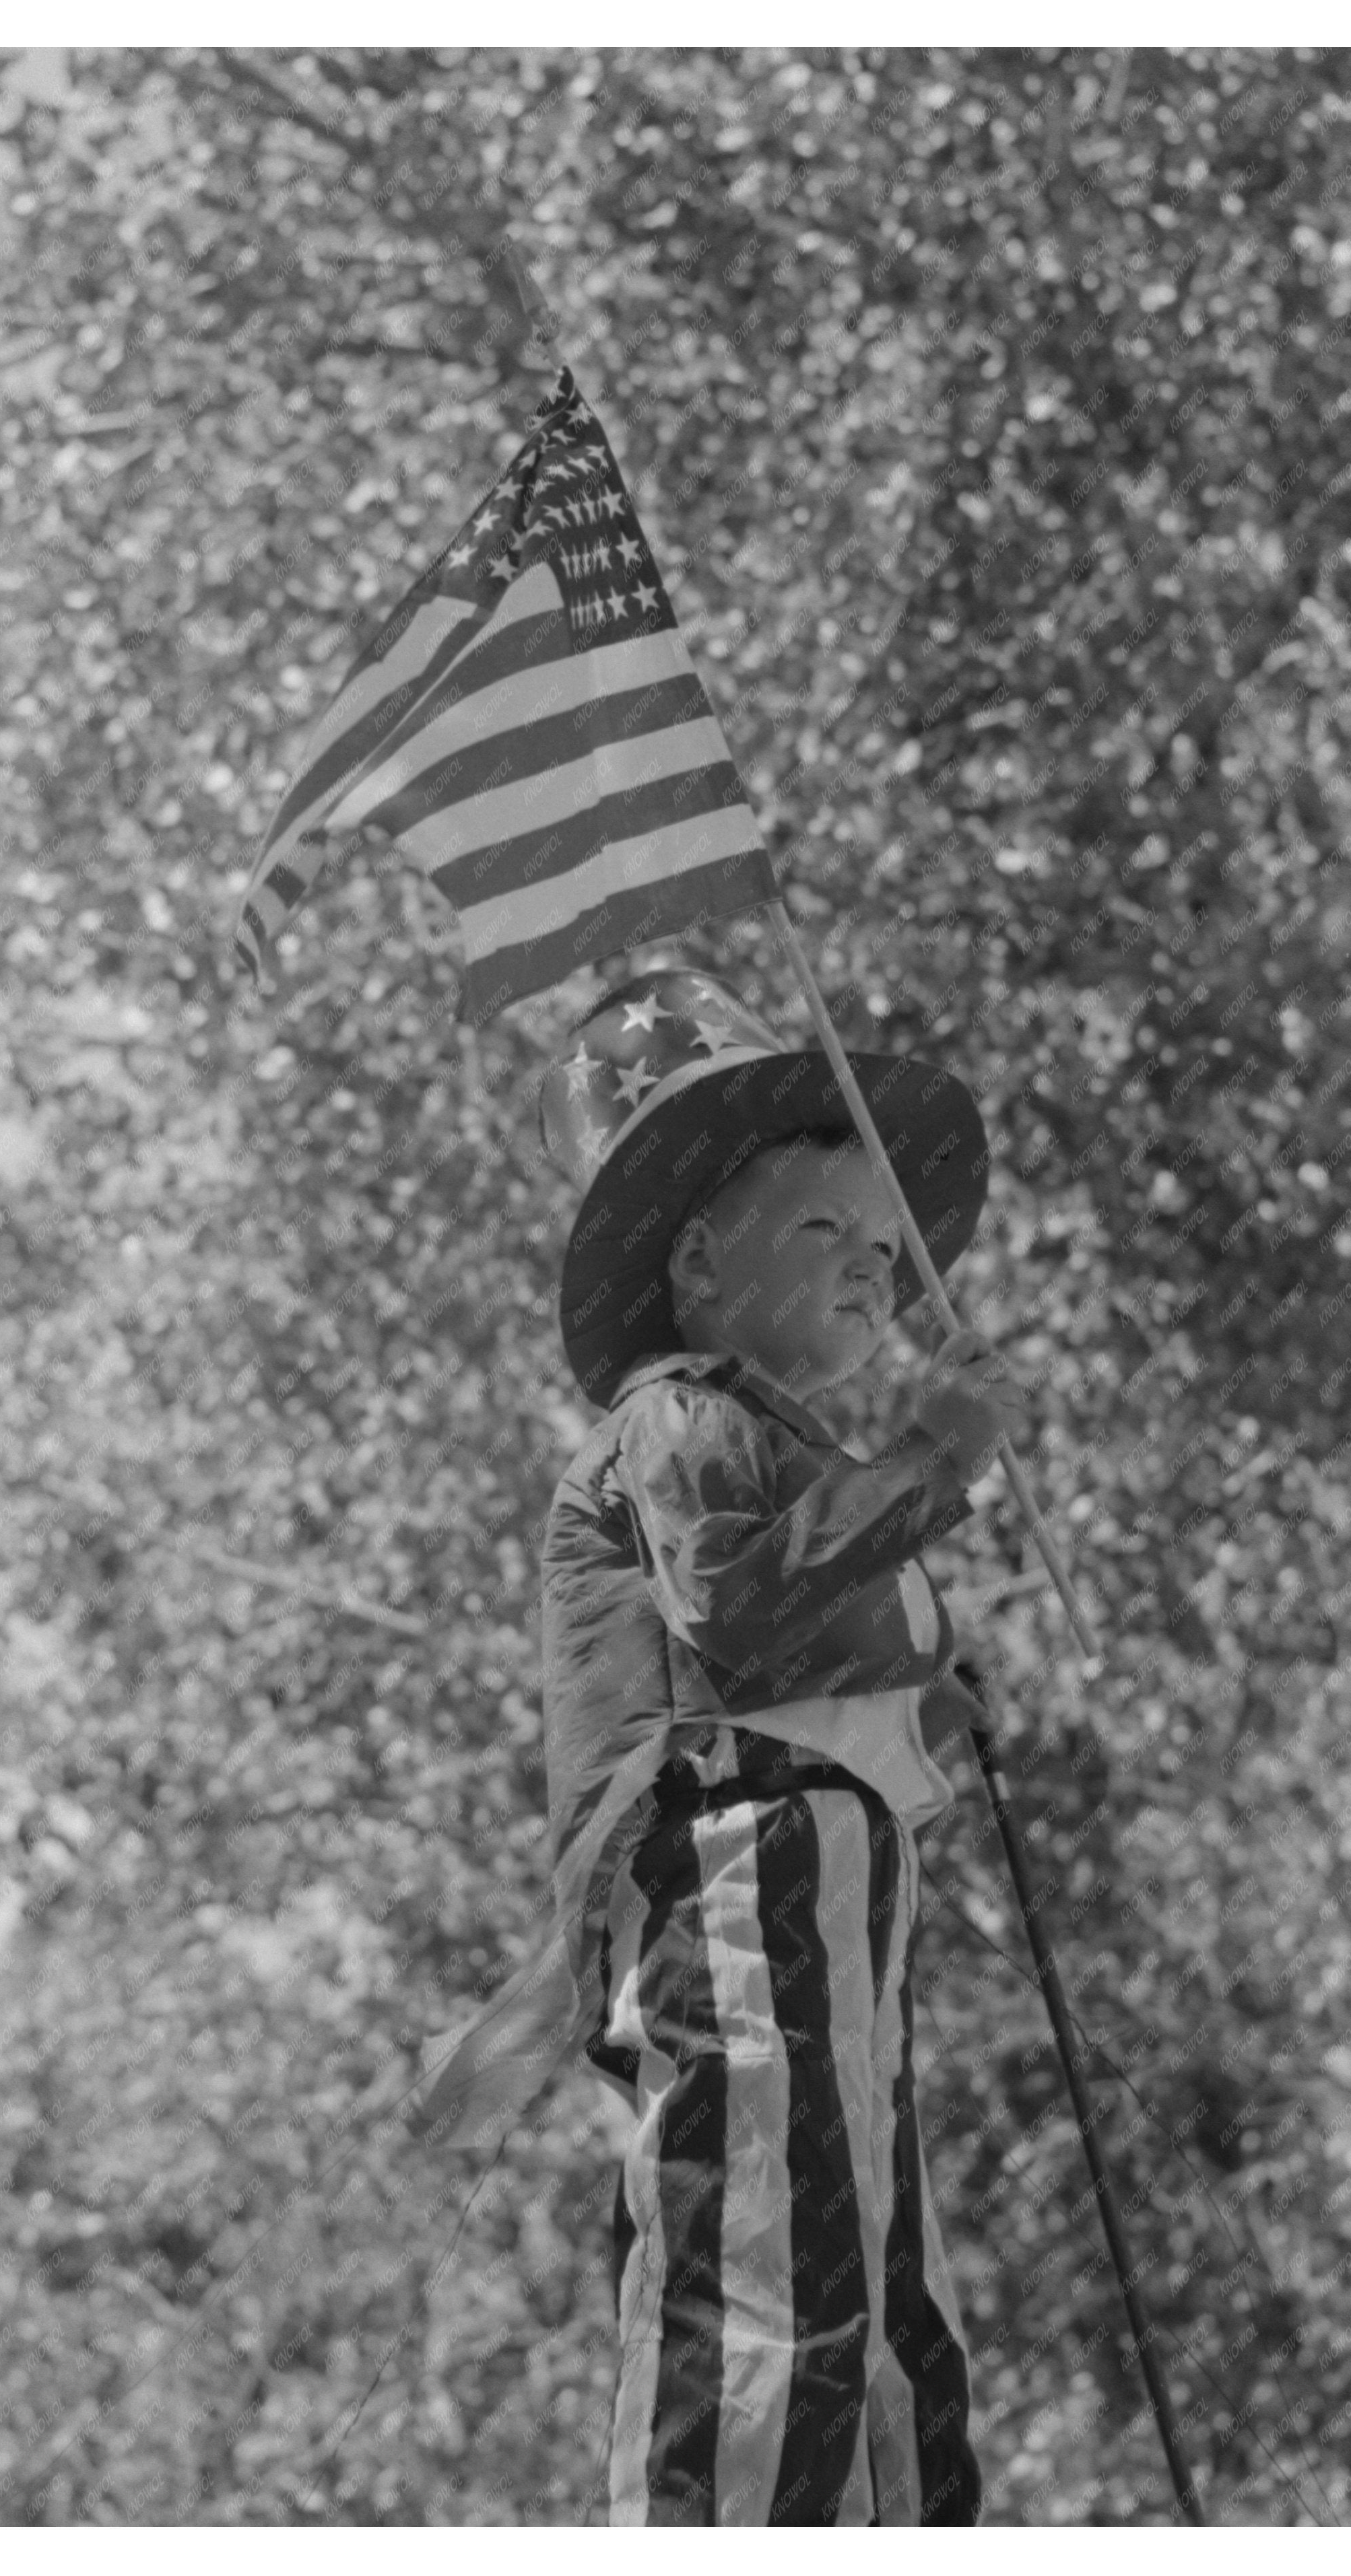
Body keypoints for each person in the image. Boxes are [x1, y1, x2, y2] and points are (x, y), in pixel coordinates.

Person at [531, 968, 1026, 2528]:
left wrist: (932, 1711)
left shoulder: (788, 1445)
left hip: (830, 1887)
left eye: (882, 1247)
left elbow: (822, 1655)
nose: (871, 1271)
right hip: (730, 1868)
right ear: (694, 1259)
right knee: (769, 2257)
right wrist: (932, 1464)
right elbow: (736, 1611)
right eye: (823, 1230)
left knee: (880, 2270)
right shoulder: (675, 1419)